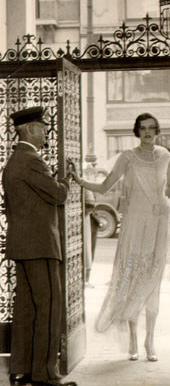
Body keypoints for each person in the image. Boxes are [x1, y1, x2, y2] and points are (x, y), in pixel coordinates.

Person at [69, 113, 170, 362]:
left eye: (152, 128)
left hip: (159, 223)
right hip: (134, 224)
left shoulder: (165, 155)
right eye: (143, 128)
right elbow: (106, 186)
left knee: (153, 280)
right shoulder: (127, 157)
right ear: (137, 132)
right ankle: (133, 341)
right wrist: (79, 180)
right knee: (132, 277)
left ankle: (150, 341)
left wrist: (165, 202)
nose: (148, 132)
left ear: (157, 131)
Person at [2, 106, 77, 386]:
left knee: (26, 309)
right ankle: (45, 374)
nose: (45, 132)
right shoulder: (31, 160)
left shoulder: (15, 161)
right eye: (43, 127)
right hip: (40, 246)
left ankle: (21, 370)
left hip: (23, 246)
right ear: (31, 129)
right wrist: (66, 177)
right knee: (48, 307)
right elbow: (58, 194)